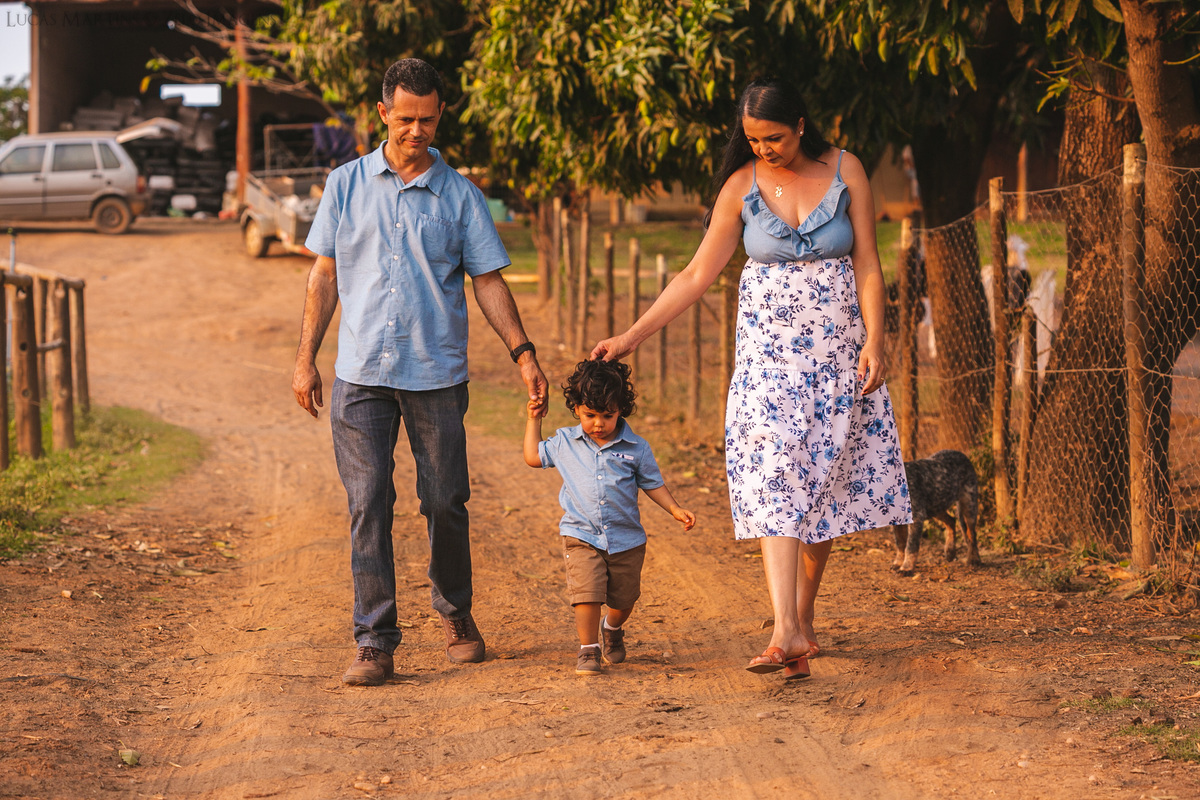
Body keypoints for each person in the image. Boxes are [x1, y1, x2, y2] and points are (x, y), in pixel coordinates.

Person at [591, 78, 911, 679]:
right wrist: (631, 337)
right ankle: (783, 628)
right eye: (753, 140)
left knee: (826, 485)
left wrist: (877, 337)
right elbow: (694, 275)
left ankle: (802, 621)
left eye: (774, 138)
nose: (764, 149)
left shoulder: (848, 171)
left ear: (801, 125)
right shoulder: (741, 188)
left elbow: (867, 260)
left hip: (839, 352)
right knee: (775, 473)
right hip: (768, 361)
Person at [292, 58, 549, 686]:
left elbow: (486, 281)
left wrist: (523, 352)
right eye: (404, 119)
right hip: (359, 373)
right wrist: (305, 358)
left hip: (435, 374)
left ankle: (456, 613)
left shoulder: (460, 195)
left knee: (444, 499)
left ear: (440, 115)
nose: (415, 131)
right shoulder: (345, 184)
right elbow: (323, 275)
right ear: (382, 114)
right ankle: (374, 639)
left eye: (426, 119)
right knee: (368, 501)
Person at [523, 359, 696, 676]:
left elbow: (653, 484)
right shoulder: (564, 442)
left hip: (626, 539)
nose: (599, 423)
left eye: (608, 415)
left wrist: (674, 508)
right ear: (576, 409)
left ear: (621, 411)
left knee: (623, 599)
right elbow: (534, 457)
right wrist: (534, 419)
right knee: (587, 595)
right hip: (581, 535)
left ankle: (613, 627)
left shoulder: (636, 448)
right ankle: (588, 649)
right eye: (590, 415)